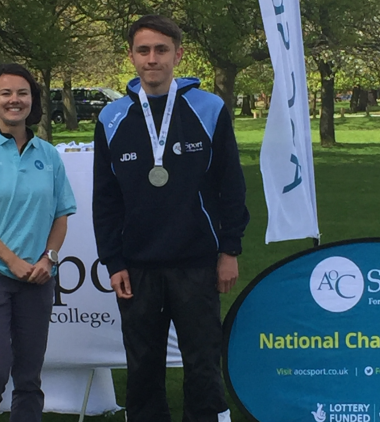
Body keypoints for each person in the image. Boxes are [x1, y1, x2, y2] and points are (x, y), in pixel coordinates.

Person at [92, 14, 250, 422]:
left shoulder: (208, 107)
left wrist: (229, 248)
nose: (152, 59)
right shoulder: (111, 118)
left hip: (196, 259)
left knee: (202, 360)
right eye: (143, 50)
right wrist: (114, 261)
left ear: (177, 55)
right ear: (131, 57)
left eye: (161, 50)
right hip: (137, 263)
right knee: (142, 364)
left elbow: (230, 184)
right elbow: (106, 199)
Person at [0, 63, 77, 422]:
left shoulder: (48, 155)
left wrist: (48, 259)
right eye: (5, 93)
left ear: (32, 101)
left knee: (28, 376)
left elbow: (60, 214)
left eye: (22, 93)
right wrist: (12, 261)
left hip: (37, 276)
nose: (14, 100)